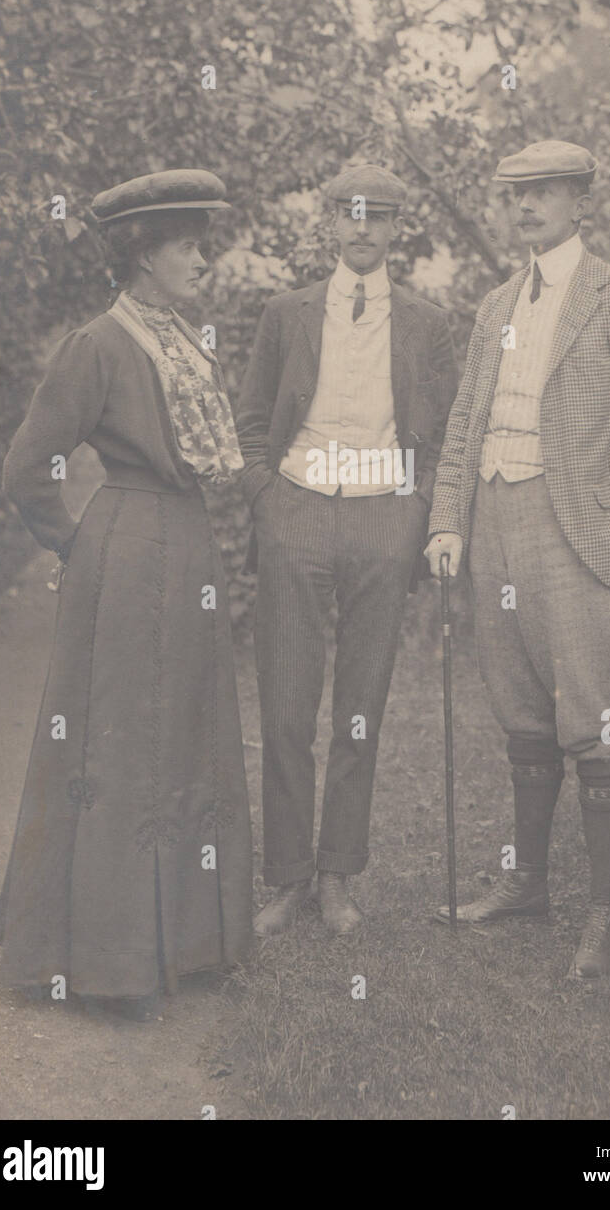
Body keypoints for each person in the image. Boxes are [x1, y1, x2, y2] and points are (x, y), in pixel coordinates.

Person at [0, 169, 253, 1019]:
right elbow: (27, 469)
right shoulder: (98, 345)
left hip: (188, 548)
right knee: (119, 749)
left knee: (187, 730)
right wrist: (80, 545)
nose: (201, 259)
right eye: (187, 244)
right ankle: (102, 961)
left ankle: (187, 943)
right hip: (127, 548)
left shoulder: (184, 342)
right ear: (143, 253)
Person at [425, 140, 610, 977]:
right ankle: (528, 886)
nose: (525, 207)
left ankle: (601, 919)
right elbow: (465, 421)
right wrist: (446, 523)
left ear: (580, 200)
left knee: (596, 714)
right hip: (492, 518)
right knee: (521, 708)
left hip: (572, 522)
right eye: (515, 195)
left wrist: (596, 492)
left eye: (543, 192)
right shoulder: (497, 301)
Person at [236, 164, 457, 935]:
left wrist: (415, 512)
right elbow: (252, 419)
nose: (362, 229)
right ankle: (287, 878)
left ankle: (337, 878)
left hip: (381, 520)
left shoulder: (428, 323)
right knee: (288, 706)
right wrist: (268, 500)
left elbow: (445, 434)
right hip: (296, 510)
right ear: (329, 221)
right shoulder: (284, 313)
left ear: (398, 227)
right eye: (349, 215)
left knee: (359, 711)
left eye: (378, 217)